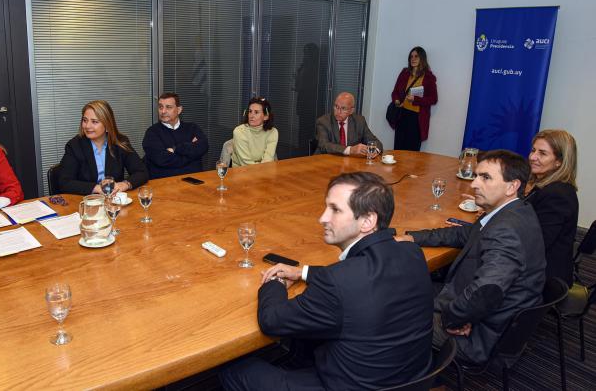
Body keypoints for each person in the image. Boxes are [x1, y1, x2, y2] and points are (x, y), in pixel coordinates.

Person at [220, 172, 433, 390]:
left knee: (237, 371)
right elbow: (358, 280)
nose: (322, 218)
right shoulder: (411, 252)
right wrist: (303, 272)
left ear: (368, 221)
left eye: (335, 209)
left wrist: (274, 282)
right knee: (306, 345)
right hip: (409, 379)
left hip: (350, 385)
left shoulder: (338, 282)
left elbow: (271, 321)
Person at [396, 150, 545, 365]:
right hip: (487, 315)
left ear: (512, 186)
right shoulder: (516, 211)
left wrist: (454, 319)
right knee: (408, 291)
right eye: (476, 176)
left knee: (390, 313)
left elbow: (486, 291)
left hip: (480, 334)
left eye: (485, 178)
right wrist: (413, 237)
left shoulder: (506, 230)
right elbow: (463, 233)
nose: (474, 184)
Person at [58, 100, 148, 195]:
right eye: (85, 120)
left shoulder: (120, 142)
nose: (87, 126)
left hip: (114, 201)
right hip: (86, 202)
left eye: (94, 122)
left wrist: (124, 184)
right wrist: (97, 188)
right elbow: (64, 182)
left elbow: (141, 172)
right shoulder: (74, 146)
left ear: (107, 125)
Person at [525, 129, 579, 287]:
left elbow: (537, 244)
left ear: (559, 162)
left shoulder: (558, 195)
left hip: (542, 279)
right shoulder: (547, 185)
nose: (533, 157)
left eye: (542, 153)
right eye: (533, 150)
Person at [142, 93, 208, 179]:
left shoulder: (192, 128)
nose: (163, 111)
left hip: (194, 181)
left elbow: (204, 146)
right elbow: (162, 160)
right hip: (165, 183)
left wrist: (175, 149)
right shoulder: (152, 132)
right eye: (160, 107)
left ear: (179, 110)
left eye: (168, 107)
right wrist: (192, 156)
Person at [390, 46, 438, 151]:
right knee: (398, 149)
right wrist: (397, 101)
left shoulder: (429, 77)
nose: (413, 59)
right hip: (402, 115)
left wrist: (415, 100)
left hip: (417, 119)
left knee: (412, 151)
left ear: (422, 58)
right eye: (411, 56)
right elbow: (395, 92)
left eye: (416, 56)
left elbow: (434, 99)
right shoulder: (404, 73)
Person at [315, 92, 383, 156]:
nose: (338, 111)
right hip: (326, 162)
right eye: (336, 106)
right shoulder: (323, 121)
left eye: (343, 108)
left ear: (351, 111)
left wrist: (374, 151)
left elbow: (375, 142)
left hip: (350, 163)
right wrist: (350, 150)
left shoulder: (359, 121)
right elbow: (324, 145)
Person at [231, 97, 278, 167]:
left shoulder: (273, 132)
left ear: (266, 116)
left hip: (265, 171)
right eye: (250, 111)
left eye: (256, 112)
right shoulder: (239, 132)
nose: (251, 116)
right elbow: (246, 164)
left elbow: (267, 161)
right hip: (241, 173)